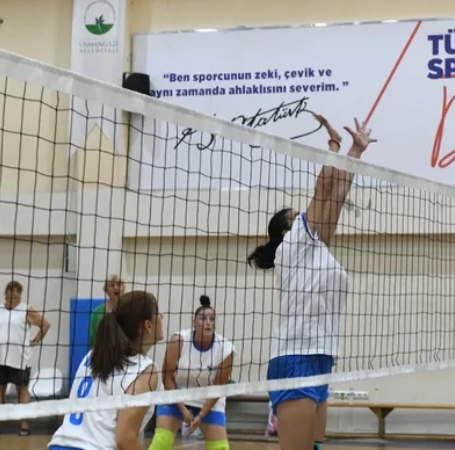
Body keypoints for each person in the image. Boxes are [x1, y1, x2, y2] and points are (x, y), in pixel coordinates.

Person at [247, 114, 376, 450]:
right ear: (285, 232)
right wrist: (333, 147)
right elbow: (324, 189)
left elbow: (337, 195)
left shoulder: (316, 246)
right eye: (296, 216)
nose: (304, 215)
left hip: (321, 355)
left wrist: (355, 151)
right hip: (295, 356)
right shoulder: (291, 246)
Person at [48, 290, 164, 450]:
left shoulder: (93, 355)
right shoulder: (145, 371)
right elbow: (125, 439)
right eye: (158, 313)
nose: (162, 317)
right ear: (148, 325)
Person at [150, 295, 235, 450]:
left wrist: (201, 415)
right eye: (203, 318)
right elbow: (167, 378)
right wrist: (183, 409)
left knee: (220, 448)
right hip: (176, 394)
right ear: (194, 321)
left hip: (208, 398)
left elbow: (219, 388)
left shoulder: (225, 348)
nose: (208, 322)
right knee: (161, 441)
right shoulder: (179, 341)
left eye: (211, 319)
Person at [0, 280, 51, 436]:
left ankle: (24, 425)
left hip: (19, 358)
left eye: (17, 294)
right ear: (6, 293)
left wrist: (35, 340)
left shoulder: (26, 309)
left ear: (20, 295)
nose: (13, 296)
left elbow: (45, 325)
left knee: (21, 389)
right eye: (11, 293)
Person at [89, 275, 123, 348]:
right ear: (106, 290)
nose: (116, 288)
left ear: (123, 288)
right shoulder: (98, 312)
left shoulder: (129, 310)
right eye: (112, 285)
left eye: (119, 284)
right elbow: (93, 340)